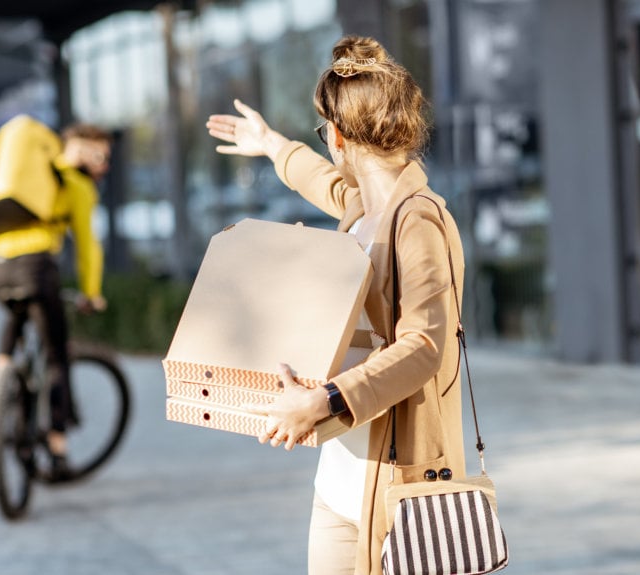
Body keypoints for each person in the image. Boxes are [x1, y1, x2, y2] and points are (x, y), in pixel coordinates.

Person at [206, 36, 466, 575]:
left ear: (340, 136)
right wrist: (271, 143)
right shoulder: (363, 209)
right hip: (341, 472)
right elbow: (321, 181)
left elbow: (423, 347)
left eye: (324, 132)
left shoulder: (417, 220)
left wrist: (323, 400)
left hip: (398, 481)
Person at [0, 122, 111, 477]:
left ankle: (0, 380)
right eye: (102, 156)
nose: (105, 166)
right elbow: (88, 247)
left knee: (19, 313)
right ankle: (57, 450)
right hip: (35, 268)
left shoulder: (34, 173)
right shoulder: (77, 184)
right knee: (57, 357)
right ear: (83, 151)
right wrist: (91, 293)